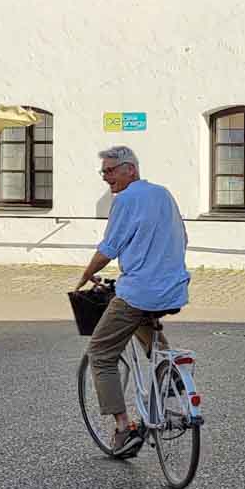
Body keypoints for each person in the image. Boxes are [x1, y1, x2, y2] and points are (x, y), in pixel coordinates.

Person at [74, 146, 191, 453]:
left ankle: (124, 429)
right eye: (103, 172)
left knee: (100, 353)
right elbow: (181, 236)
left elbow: (109, 248)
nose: (106, 177)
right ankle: (171, 370)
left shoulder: (125, 200)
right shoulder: (163, 194)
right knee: (143, 315)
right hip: (174, 288)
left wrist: (86, 275)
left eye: (111, 170)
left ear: (131, 169)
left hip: (140, 291)